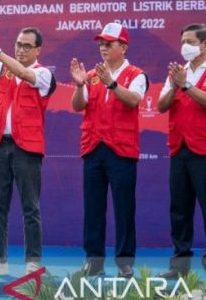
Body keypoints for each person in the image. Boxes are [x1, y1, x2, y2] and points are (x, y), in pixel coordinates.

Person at [0, 14, 56, 276]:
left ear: (38, 50)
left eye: (26, 46)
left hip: (26, 148)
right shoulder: (3, 70)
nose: (21, 49)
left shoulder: (42, 74)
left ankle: (33, 261)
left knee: (30, 206)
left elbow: (22, 72)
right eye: (18, 44)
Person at [69, 23, 148, 278]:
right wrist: (81, 85)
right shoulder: (92, 74)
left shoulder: (136, 74)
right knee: (93, 208)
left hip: (121, 150)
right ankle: (94, 261)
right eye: (101, 43)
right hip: (93, 147)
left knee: (123, 208)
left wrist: (112, 84)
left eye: (109, 43)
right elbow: (77, 106)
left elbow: (134, 100)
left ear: (123, 47)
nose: (103, 47)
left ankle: (124, 262)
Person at [156, 23, 206, 279]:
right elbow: (161, 105)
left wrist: (186, 86)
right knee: (180, 208)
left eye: (191, 41)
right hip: (180, 147)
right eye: (182, 41)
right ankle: (180, 264)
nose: (185, 46)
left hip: (204, 149)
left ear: (204, 45)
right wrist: (176, 86)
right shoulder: (177, 72)